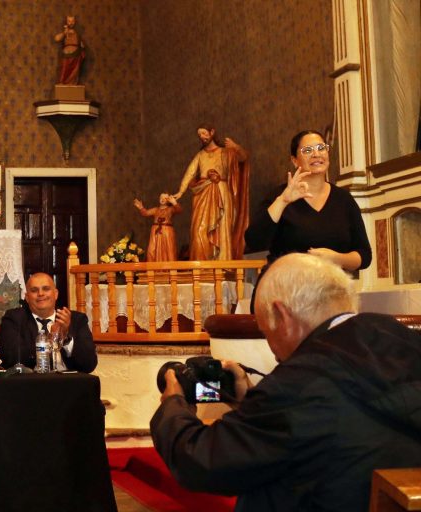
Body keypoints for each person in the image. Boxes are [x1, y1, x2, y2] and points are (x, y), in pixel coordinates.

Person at [150, 253, 421, 511]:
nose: (273, 351)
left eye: (266, 332)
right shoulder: (402, 339)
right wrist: (252, 400)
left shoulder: (298, 384)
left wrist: (174, 402)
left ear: (281, 315)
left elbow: (201, 461)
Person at [245, 129, 372, 274]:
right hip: (287, 287)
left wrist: (337, 258)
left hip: (331, 287)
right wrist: (283, 201)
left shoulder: (344, 200)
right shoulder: (279, 196)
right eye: (307, 150)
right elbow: (254, 242)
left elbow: (365, 255)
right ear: (294, 160)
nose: (316, 154)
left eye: (321, 148)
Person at [173, 124, 250, 260]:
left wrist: (235, 147)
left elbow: (243, 158)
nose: (202, 136)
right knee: (198, 231)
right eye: (199, 135)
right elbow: (190, 172)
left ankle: (222, 268)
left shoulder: (225, 152)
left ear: (212, 132)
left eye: (204, 133)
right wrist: (181, 191)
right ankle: (201, 269)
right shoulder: (200, 155)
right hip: (203, 194)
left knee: (222, 229)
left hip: (222, 192)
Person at [0, 272, 97, 372]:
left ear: (56, 294)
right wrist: (51, 340)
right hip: (30, 383)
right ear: (27, 298)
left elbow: (88, 365)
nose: (40, 294)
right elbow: (10, 360)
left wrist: (65, 338)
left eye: (46, 289)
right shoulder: (14, 319)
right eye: (34, 290)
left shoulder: (76, 319)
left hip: (68, 383)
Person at [134, 193, 182, 262]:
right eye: (161, 197)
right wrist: (141, 207)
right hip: (155, 231)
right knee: (152, 249)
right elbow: (146, 213)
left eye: (165, 198)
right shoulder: (155, 210)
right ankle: (153, 268)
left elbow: (179, 210)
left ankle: (169, 268)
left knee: (168, 249)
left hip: (167, 232)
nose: (162, 199)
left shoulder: (170, 209)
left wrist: (175, 203)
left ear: (169, 200)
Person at [54, 15, 85, 85]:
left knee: (75, 70)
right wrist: (64, 33)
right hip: (67, 53)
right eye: (69, 21)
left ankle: (72, 83)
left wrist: (82, 46)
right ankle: (63, 82)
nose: (71, 23)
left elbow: (79, 42)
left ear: (75, 22)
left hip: (76, 54)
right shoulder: (65, 32)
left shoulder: (77, 33)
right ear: (67, 21)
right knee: (64, 68)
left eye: (72, 21)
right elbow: (56, 39)